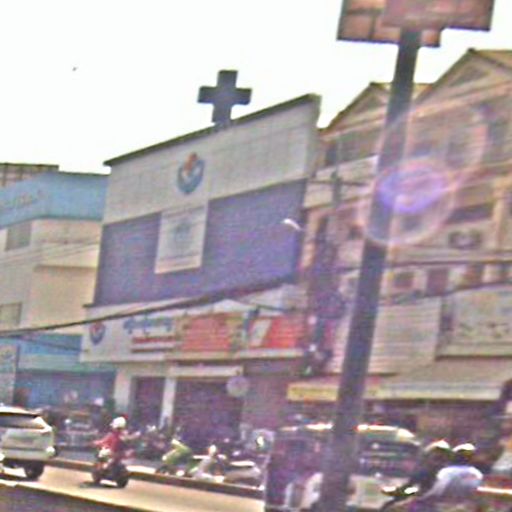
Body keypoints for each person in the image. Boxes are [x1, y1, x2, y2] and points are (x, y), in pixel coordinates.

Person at [382, 440, 452, 510]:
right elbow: (408, 489)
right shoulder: (422, 474)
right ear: (427, 458)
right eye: (437, 459)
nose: (439, 463)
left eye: (443, 460)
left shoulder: (445, 477)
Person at [410, 443, 483, 509]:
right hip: (463, 507)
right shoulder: (477, 473)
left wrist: (421, 499)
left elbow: (436, 491)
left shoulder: (448, 472)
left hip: (441, 506)